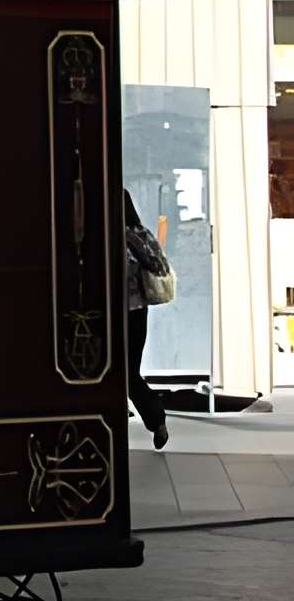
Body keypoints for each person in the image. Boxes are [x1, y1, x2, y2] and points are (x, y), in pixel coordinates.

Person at [123, 189, 171, 451]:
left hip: (128, 312)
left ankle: (156, 418)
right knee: (127, 371)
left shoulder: (132, 235)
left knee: (128, 373)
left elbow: (159, 266)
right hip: (135, 312)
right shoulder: (138, 233)